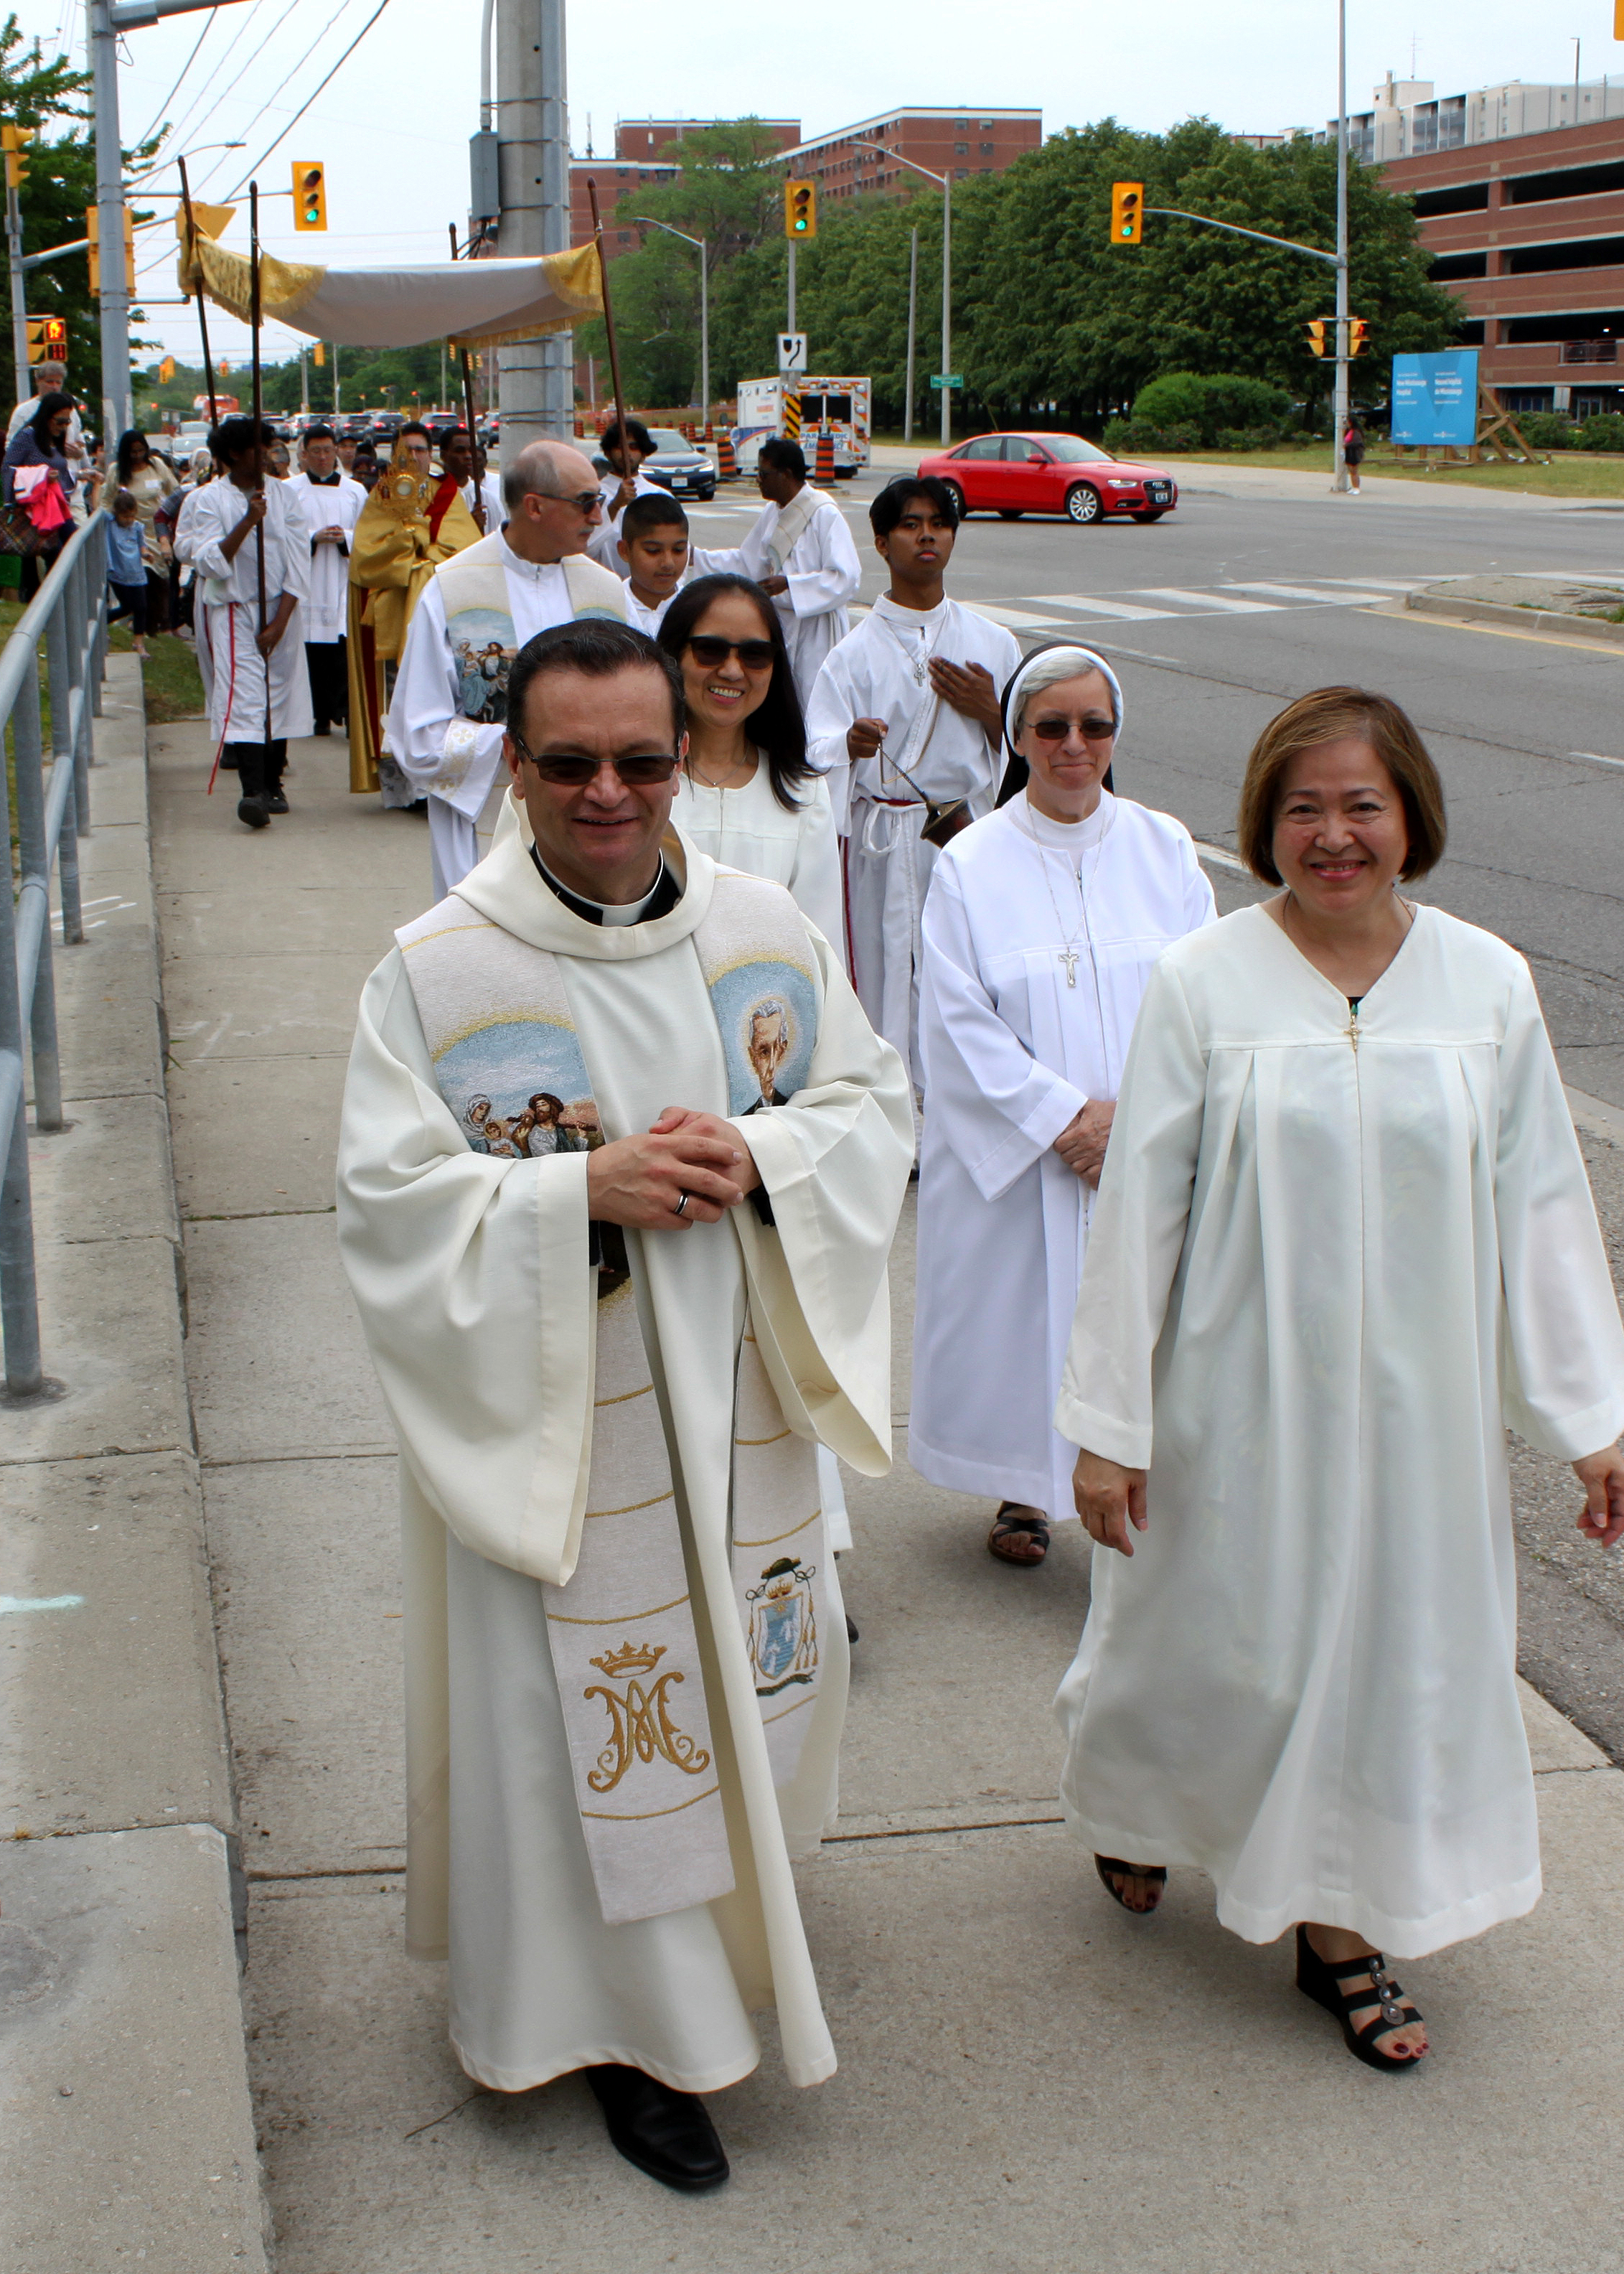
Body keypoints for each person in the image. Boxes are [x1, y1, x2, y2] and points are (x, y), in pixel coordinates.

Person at [336, 616, 912, 2189]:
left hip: (736, 1404)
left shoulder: (758, 927)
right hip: (556, 1421)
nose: (610, 793)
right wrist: (573, 1186)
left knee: (725, 1703)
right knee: (575, 1730)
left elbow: (870, 1102)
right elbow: (385, 1207)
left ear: (684, 760)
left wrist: (767, 1156)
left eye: (642, 762)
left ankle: (723, 1956)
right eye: (571, 762)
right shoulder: (439, 970)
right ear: (511, 767)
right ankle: (624, 2039)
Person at [1054, 684, 1624, 2068]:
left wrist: (1588, 1418)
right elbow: (1142, 1210)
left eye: (1360, 803)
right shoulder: (1205, 980)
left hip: (1415, 1415)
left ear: (1408, 813)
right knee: (1204, 1644)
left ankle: (1337, 1921)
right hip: (1233, 1399)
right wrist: (1107, 1424)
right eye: (1302, 807)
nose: (1332, 835)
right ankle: (1138, 1807)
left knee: (1386, 1658)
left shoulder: (1484, 980)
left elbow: (1539, 1204)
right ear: (1264, 822)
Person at [909, 644, 1214, 1568]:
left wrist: (1140, 1118)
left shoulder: (1163, 847)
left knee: (1146, 1318)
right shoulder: (971, 863)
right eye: (1052, 727)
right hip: (1033, 1146)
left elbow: (1208, 992)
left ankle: (1145, 1490)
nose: (1074, 744)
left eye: (1094, 725)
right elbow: (954, 1016)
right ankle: (1021, 1492)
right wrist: (1063, 1120)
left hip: (1144, 1139)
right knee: (1025, 1321)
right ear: (1018, 736)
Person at [806, 475, 1019, 1098]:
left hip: (961, 832)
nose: (927, 535)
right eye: (909, 524)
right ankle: (890, 1107)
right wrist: (849, 745)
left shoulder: (991, 643)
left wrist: (992, 709)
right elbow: (816, 747)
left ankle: (956, 1101)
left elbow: (1031, 745)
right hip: (881, 837)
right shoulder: (851, 654)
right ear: (880, 542)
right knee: (880, 970)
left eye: (939, 523)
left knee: (957, 967)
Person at [386, 438, 629, 894]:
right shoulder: (452, 592)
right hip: (490, 818)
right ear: (534, 507)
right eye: (586, 503)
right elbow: (417, 737)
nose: (598, 517)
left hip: (596, 814)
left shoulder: (607, 592)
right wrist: (525, 744)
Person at [657, 574, 842, 950]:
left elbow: (820, 946)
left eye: (754, 655)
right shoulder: (637, 779)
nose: (731, 670)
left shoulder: (803, 794)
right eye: (710, 650)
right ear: (674, 654)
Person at [172, 415, 312, 830]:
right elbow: (210, 560)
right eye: (258, 448)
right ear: (234, 454)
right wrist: (248, 521)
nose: (267, 455)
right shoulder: (205, 500)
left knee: (280, 692)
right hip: (234, 608)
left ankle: (274, 782)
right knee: (247, 693)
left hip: (280, 606)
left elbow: (298, 562)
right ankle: (252, 791)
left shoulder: (284, 497)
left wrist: (281, 621)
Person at [346, 430, 482, 810]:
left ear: (430, 455)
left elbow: (464, 551)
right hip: (393, 613)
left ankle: (433, 786)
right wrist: (410, 545)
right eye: (407, 451)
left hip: (438, 611)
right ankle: (402, 790)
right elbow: (366, 558)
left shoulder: (447, 493)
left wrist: (423, 556)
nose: (415, 457)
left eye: (421, 450)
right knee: (396, 700)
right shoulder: (382, 495)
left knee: (437, 697)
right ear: (394, 456)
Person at [703, 439, 861, 708]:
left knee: (814, 702)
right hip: (781, 624)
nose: (758, 480)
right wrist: (695, 558)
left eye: (764, 474)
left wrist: (790, 584)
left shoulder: (823, 513)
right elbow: (747, 561)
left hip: (816, 630)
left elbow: (846, 576)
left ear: (787, 474)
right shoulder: (772, 512)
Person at [288, 424, 366, 738]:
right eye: (316, 451)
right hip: (307, 580)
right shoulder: (290, 489)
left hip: (341, 578)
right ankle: (317, 717)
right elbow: (283, 534)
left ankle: (347, 714)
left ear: (336, 453)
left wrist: (344, 537)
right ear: (304, 454)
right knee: (312, 654)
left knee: (343, 651)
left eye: (328, 451)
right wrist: (313, 537)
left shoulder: (355, 491)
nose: (323, 458)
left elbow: (368, 534)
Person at [3, 390, 78, 600]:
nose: (63, 427)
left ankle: (58, 602)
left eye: (67, 422)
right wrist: (11, 502)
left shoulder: (57, 439)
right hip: (34, 509)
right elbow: (9, 467)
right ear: (47, 416)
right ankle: (47, 604)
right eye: (60, 421)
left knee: (70, 549)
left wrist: (77, 477)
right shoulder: (28, 435)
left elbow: (61, 471)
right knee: (51, 555)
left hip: (57, 507)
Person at [114, 431, 179, 635]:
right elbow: (107, 502)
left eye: (141, 451)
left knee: (160, 580)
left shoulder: (157, 466)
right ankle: (141, 626)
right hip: (129, 533)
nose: (137, 456)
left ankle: (156, 624)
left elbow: (175, 491)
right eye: (132, 452)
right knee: (142, 578)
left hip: (156, 530)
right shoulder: (117, 471)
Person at [586, 417, 665, 574]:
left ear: (643, 454)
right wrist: (615, 505)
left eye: (633, 447)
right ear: (608, 453)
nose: (627, 453)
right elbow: (586, 548)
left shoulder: (660, 496)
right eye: (619, 447)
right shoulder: (593, 494)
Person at [617, 490, 697, 634]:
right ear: (624, 550)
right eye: (653, 551)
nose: (668, 563)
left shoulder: (697, 610)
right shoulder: (609, 609)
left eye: (678, 550)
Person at [6, 362, 85, 464]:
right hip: (38, 475)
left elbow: (79, 442)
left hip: (68, 474)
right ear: (38, 381)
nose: (55, 387)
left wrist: (79, 453)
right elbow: (11, 446)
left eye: (58, 383)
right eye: (50, 382)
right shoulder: (23, 411)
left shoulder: (71, 411)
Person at [105, 488, 151, 657]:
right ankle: (103, 622)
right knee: (127, 607)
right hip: (117, 573)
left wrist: (146, 553)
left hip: (136, 573)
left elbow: (142, 544)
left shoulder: (137, 527)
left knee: (141, 608)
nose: (129, 520)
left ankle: (138, 643)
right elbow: (99, 507)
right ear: (116, 513)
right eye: (125, 517)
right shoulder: (110, 524)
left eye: (132, 516)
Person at [438, 426, 504, 535]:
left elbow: (499, 541)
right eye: (460, 451)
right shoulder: (434, 497)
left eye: (471, 450)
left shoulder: (488, 499)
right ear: (443, 455)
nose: (468, 456)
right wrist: (469, 525)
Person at [1343, 413, 1366, 495]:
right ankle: (1353, 487)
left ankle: (1357, 487)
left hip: (1355, 453)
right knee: (1351, 471)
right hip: (1349, 452)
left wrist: (1347, 445)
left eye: (1347, 422)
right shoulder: (1349, 431)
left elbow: (1357, 442)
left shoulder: (1356, 431)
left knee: (1354, 470)